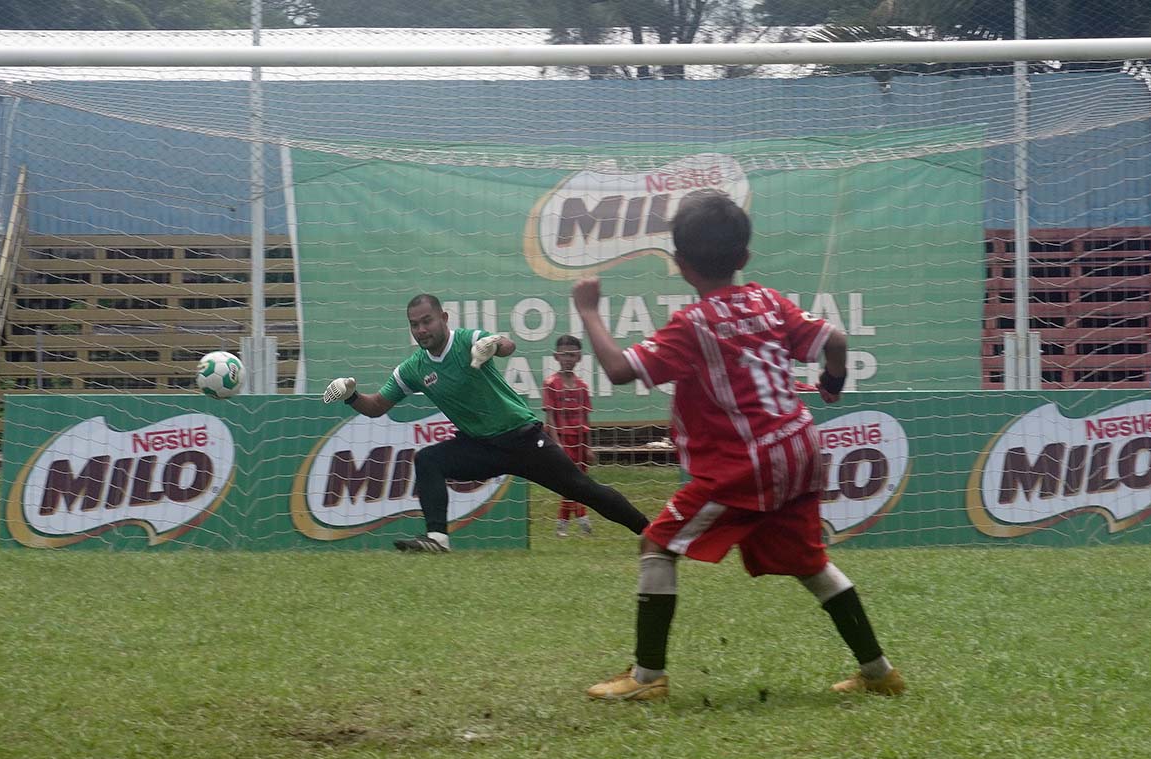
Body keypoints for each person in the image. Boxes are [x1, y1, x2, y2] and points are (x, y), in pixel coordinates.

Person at [572, 190, 904, 700]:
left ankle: (647, 679)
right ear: (745, 258)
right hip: (802, 447)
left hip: (749, 462)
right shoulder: (769, 303)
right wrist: (833, 385)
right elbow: (835, 342)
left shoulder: (693, 325)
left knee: (657, 544)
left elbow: (619, 370)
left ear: (680, 265)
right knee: (809, 563)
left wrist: (589, 310)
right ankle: (879, 674)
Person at [322, 293, 649, 552]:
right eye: (414, 325)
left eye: (427, 321)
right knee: (428, 460)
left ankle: (652, 532)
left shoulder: (466, 340)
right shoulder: (413, 368)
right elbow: (377, 406)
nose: (421, 330)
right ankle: (437, 538)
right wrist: (351, 395)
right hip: (480, 446)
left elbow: (508, 345)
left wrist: (492, 344)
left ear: (443, 319)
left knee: (583, 490)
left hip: (523, 439)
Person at [543, 334, 594, 538]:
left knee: (579, 481)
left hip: (580, 440)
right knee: (570, 481)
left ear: (579, 357)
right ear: (556, 356)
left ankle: (562, 524)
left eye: (572, 355)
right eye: (564, 355)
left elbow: (586, 417)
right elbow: (550, 416)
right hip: (563, 440)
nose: (568, 359)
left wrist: (589, 446)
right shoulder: (551, 383)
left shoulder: (582, 386)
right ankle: (582, 517)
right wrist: (556, 443)